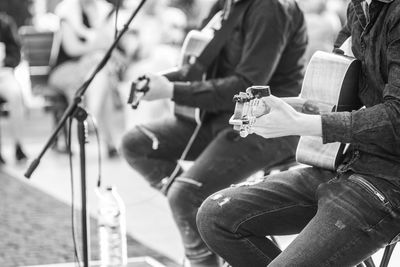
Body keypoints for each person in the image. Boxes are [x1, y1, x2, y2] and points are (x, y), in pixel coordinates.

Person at [196, 0, 400, 266]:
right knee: (214, 216)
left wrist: (298, 123)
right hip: (347, 163)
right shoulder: (358, 8)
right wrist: (291, 107)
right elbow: (339, 90)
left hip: (387, 184)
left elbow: (395, 118)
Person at [120, 0, 308, 266]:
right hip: (218, 118)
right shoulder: (228, 4)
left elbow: (247, 85)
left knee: (185, 197)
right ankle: (211, 222)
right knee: (136, 144)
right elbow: (200, 65)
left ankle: (205, 247)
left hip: (262, 125)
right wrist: (163, 81)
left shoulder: (270, 8)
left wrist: (172, 91)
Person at [48, 0, 122, 158]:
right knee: (98, 74)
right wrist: (98, 49)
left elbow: (111, 46)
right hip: (66, 68)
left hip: (92, 70)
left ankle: (91, 116)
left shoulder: (104, 11)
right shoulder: (67, 12)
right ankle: (108, 142)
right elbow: (72, 48)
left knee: (100, 76)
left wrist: (98, 54)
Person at [0, 12, 28, 163]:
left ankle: (18, 146)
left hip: (4, 74)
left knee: (16, 95)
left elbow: (15, 53)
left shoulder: (4, 23)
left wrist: (6, 62)